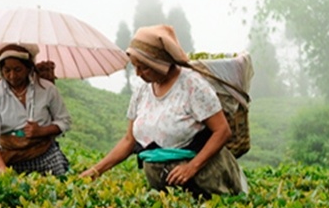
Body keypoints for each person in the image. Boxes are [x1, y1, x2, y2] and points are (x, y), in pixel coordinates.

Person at [80, 24, 247, 197]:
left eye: (144, 67)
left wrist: (192, 167)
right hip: (162, 188)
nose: (138, 73)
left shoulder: (192, 85)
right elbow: (129, 140)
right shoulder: (142, 90)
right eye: (135, 66)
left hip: (204, 180)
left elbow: (222, 131)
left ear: (160, 63)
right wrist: (95, 171)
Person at [0, 43, 72, 175]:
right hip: (9, 158)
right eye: (7, 70)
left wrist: (42, 131)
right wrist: (0, 167)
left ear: (29, 68)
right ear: (1, 70)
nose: (12, 75)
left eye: (18, 70)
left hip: (44, 153)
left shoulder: (47, 89)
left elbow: (65, 121)